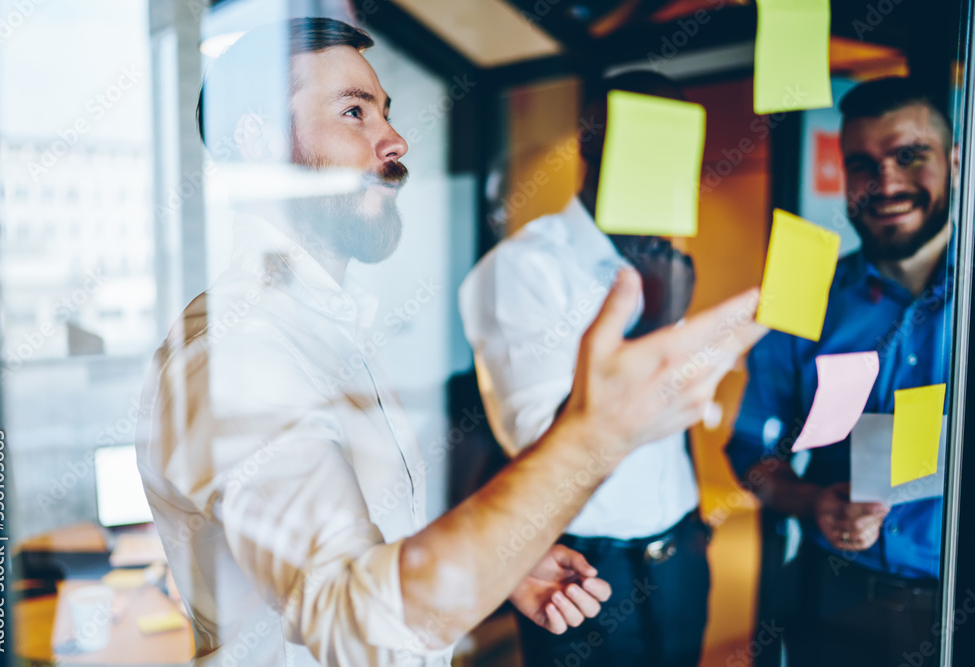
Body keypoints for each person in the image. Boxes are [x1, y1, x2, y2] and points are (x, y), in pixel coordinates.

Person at [135, 18, 765, 666]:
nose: (395, 139)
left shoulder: (330, 326)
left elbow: (372, 540)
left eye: (385, 112)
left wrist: (495, 561)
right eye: (354, 112)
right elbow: (348, 615)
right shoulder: (234, 353)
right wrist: (598, 431)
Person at [460, 71, 712, 667]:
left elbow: (671, 419)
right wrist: (652, 329)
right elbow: (541, 442)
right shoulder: (524, 269)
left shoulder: (662, 261)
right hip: (585, 566)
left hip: (680, 549)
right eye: (652, 137)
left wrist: (695, 523)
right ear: (595, 138)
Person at [726, 76, 956, 667]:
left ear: (955, 162)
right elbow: (751, 450)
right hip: (834, 602)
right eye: (862, 164)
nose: (887, 183)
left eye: (910, 155)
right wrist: (808, 501)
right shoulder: (804, 296)